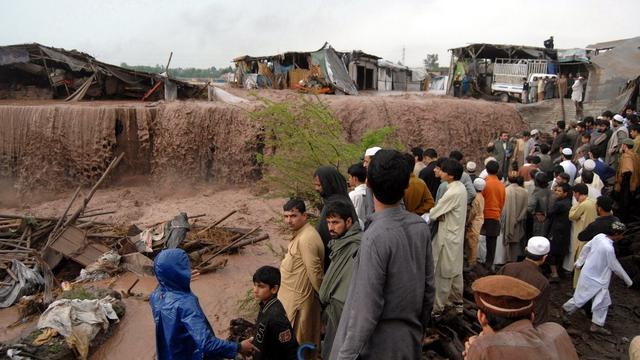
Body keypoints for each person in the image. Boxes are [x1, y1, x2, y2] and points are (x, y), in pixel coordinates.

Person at [330, 150, 435, 360]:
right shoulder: (420, 228)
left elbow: (365, 309)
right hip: (408, 341)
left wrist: (345, 355)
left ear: (368, 184)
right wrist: (418, 331)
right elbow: (429, 290)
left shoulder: (374, 237)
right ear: (406, 185)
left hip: (377, 347)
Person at [150, 249, 254, 360]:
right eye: (185, 267)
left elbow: (164, 280)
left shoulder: (156, 297)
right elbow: (206, 343)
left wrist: (180, 279)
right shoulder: (186, 303)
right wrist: (238, 347)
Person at [463, 275, 578, 360]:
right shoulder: (557, 331)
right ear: (532, 317)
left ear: (481, 317)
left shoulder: (486, 349)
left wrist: (475, 352)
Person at [563, 222, 633, 335]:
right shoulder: (608, 248)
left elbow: (586, 247)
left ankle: (595, 325)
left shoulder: (599, 236)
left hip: (591, 275)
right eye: (621, 234)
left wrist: (580, 262)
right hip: (597, 278)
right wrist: (628, 281)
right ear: (615, 234)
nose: (622, 237)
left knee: (602, 302)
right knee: (581, 298)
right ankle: (566, 310)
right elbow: (615, 266)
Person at [318, 201, 362, 359]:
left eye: (335, 222)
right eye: (328, 222)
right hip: (334, 313)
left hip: (346, 314)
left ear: (349, 222)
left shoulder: (357, 245)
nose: (330, 227)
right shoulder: (340, 244)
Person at [278, 198, 324, 350]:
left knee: (299, 345)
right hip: (291, 301)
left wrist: (323, 298)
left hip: (300, 304)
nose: (289, 220)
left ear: (304, 216)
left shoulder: (306, 238)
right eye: (286, 216)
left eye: (293, 216)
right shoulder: (300, 234)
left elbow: (315, 273)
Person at [429, 159, 468, 313]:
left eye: (442, 170)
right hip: (455, 235)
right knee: (456, 270)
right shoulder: (461, 187)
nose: (439, 172)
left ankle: (437, 308)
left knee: (443, 273)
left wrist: (437, 214)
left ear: (450, 175)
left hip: (447, 238)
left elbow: (434, 213)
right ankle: (457, 302)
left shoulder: (452, 192)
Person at [497, 236, 551, 326]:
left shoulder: (508, 267)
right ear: (545, 257)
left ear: (526, 250)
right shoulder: (543, 282)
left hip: (497, 319)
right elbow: (539, 315)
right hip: (522, 327)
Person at [251, 266, 299, 360]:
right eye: (255, 285)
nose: (255, 290)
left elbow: (291, 348)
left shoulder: (276, 316)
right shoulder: (265, 305)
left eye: (261, 286)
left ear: (274, 289)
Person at [314, 165, 354, 270]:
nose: (316, 189)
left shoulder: (337, 204)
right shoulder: (333, 201)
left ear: (328, 184)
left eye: (319, 185)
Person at [568, 183, 597, 288]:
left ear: (577, 193)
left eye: (574, 194)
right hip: (593, 237)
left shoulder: (583, 204)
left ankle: (577, 287)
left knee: (579, 262)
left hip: (582, 237)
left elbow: (572, 216)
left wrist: (576, 204)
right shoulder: (594, 202)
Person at [481, 160, 506, 269]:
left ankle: (479, 260)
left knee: (479, 240)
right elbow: (502, 201)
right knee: (492, 242)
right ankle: (489, 263)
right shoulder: (501, 185)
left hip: (483, 214)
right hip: (495, 215)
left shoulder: (484, 183)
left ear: (486, 170)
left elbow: (480, 200)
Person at [501, 172, 529, 263]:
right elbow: (525, 208)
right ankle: (513, 262)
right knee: (515, 244)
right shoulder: (524, 192)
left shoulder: (505, 190)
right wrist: (518, 219)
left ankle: (505, 261)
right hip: (518, 221)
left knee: (505, 243)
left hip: (506, 222)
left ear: (508, 179)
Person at [547, 183, 572, 282]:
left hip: (556, 230)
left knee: (552, 252)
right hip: (565, 230)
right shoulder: (569, 202)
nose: (556, 192)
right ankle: (558, 271)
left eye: (559, 191)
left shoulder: (559, 204)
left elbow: (550, 213)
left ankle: (554, 274)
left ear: (565, 193)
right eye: (556, 190)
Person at [614, 139, 640, 222]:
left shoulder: (626, 156)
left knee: (624, 204)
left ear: (625, 145)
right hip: (634, 185)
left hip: (626, 185)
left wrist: (620, 182)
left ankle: (623, 221)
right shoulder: (635, 155)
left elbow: (628, 171)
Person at [465, 178, 485, 266]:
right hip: (479, 220)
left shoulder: (475, 198)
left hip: (474, 222)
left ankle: (472, 262)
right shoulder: (481, 196)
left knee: (472, 242)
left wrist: (468, 221)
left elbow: (473, 212)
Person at [528, 172, 553, 237]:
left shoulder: (537, 192)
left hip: (538, 220)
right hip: (548, 220)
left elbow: (530, 207)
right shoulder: (550, 191)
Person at [347, 163, 367, 229]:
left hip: (357, 229)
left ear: (355, 178)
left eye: (349, 177)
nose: (349, 179)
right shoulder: (371, 193)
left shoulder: (352, 195)